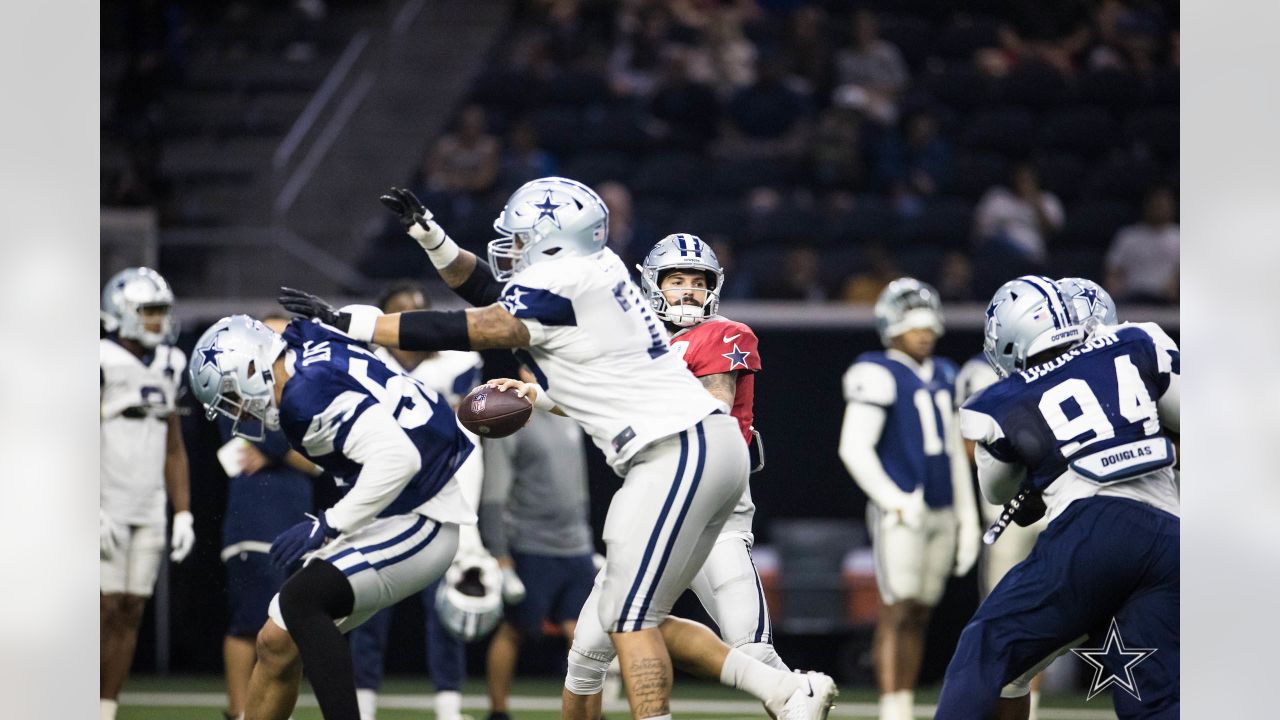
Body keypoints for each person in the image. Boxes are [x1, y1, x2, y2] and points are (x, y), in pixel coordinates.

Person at [278, 177, 838, 720]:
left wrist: (358, 323)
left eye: (520, 237)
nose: (511, 249)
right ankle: (783, 689)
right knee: (602, 640)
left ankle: (788, 693)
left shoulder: (568, 284)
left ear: (552, 238)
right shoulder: (593, 272)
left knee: (632, 620)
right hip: (686, 453)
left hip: (676, 452)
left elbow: (474, 324)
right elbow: (485, 291)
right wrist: (430, 236)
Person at [188, 314, 476, 720]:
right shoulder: (307, 341)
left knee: (302, 599)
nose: (241, 414)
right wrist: (337, 316)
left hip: (422, 514)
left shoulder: (304, 398)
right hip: (396, 507)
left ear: (252, 366)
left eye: (234, 397)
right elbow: (329, 328)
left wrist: (329, 524)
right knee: (275, 641)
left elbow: (399, 460)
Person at [560, 233, 791, 718]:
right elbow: (591, 397)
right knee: (585, 656)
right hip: (653, 507)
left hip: (712, 515)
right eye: (677, 280)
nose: (688, 290)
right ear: (653, 284)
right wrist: (531, 397)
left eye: (697, 281)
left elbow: (713, 408)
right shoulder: (637, 343)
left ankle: (799, 701)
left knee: (754, 650)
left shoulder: (723, 333)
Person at [935, 275, 1179, 718]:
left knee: (984, 649)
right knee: (1155, 699)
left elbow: (997, 491)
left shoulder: (999, 399)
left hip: (1095, 528)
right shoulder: (1139, 340)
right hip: (1172, 537)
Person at [837, 278, 981, 720]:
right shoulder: (875, 371)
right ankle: (892, 707)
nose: (924, 333)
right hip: (902, 510)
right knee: (897, 609)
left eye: (928, 325)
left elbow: (959, 453)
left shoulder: (946, 374)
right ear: (890, 326)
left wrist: (968, 519)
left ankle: (903, 701)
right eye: (912, 324)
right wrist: (893, 499)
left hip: (942, 508)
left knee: (921, 610)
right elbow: (853, 448)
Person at [348, 282, 489, 720]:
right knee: (367, 605)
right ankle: (362, 704)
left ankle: (448, 707)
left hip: (440, 497)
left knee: (445, 607)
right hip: (384, 496)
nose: (411, 321)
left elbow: (475, 436)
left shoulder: (459, 363)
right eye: (401, 313)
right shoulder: (365, 363)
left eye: (419, 313)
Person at [100, 267, 195, 720]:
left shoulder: (170, 363)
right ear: (123, 312)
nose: (159, 320)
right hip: (105, 502)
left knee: (131, 609)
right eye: (150, 311)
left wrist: (184, 513)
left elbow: (174, 445)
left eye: (162, 311)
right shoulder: (97, 359)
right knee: (100, 608)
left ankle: (105, 709)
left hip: (149, 503)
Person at [217, 316, 320, 720]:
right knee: (249, 621)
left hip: (297, 519)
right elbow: (244, 443)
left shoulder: (300, 393)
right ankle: (239, 712)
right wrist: (286, 444)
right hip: (253, 518)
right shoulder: (234, 384)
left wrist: (282, 446)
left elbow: (316, 458)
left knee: (287, 626)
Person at [481, 389, 597, 720]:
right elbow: (494, 491)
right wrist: (500, 553)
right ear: (522, 371)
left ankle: (589, 714)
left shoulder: (571, 409)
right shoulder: (510, 417)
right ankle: (498, 712)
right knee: (514, 630)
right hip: (530, 542)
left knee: (587, 637)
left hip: (576, 543)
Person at [1105, 185, 1179, 304]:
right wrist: (1114, 292)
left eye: (1162, 205)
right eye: (1155, 204)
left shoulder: (1179, 237)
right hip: (1131, 296)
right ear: (1146, 206)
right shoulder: (1128, 236)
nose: (1158, 208)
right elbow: (1113, 271)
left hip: (1165, 298)